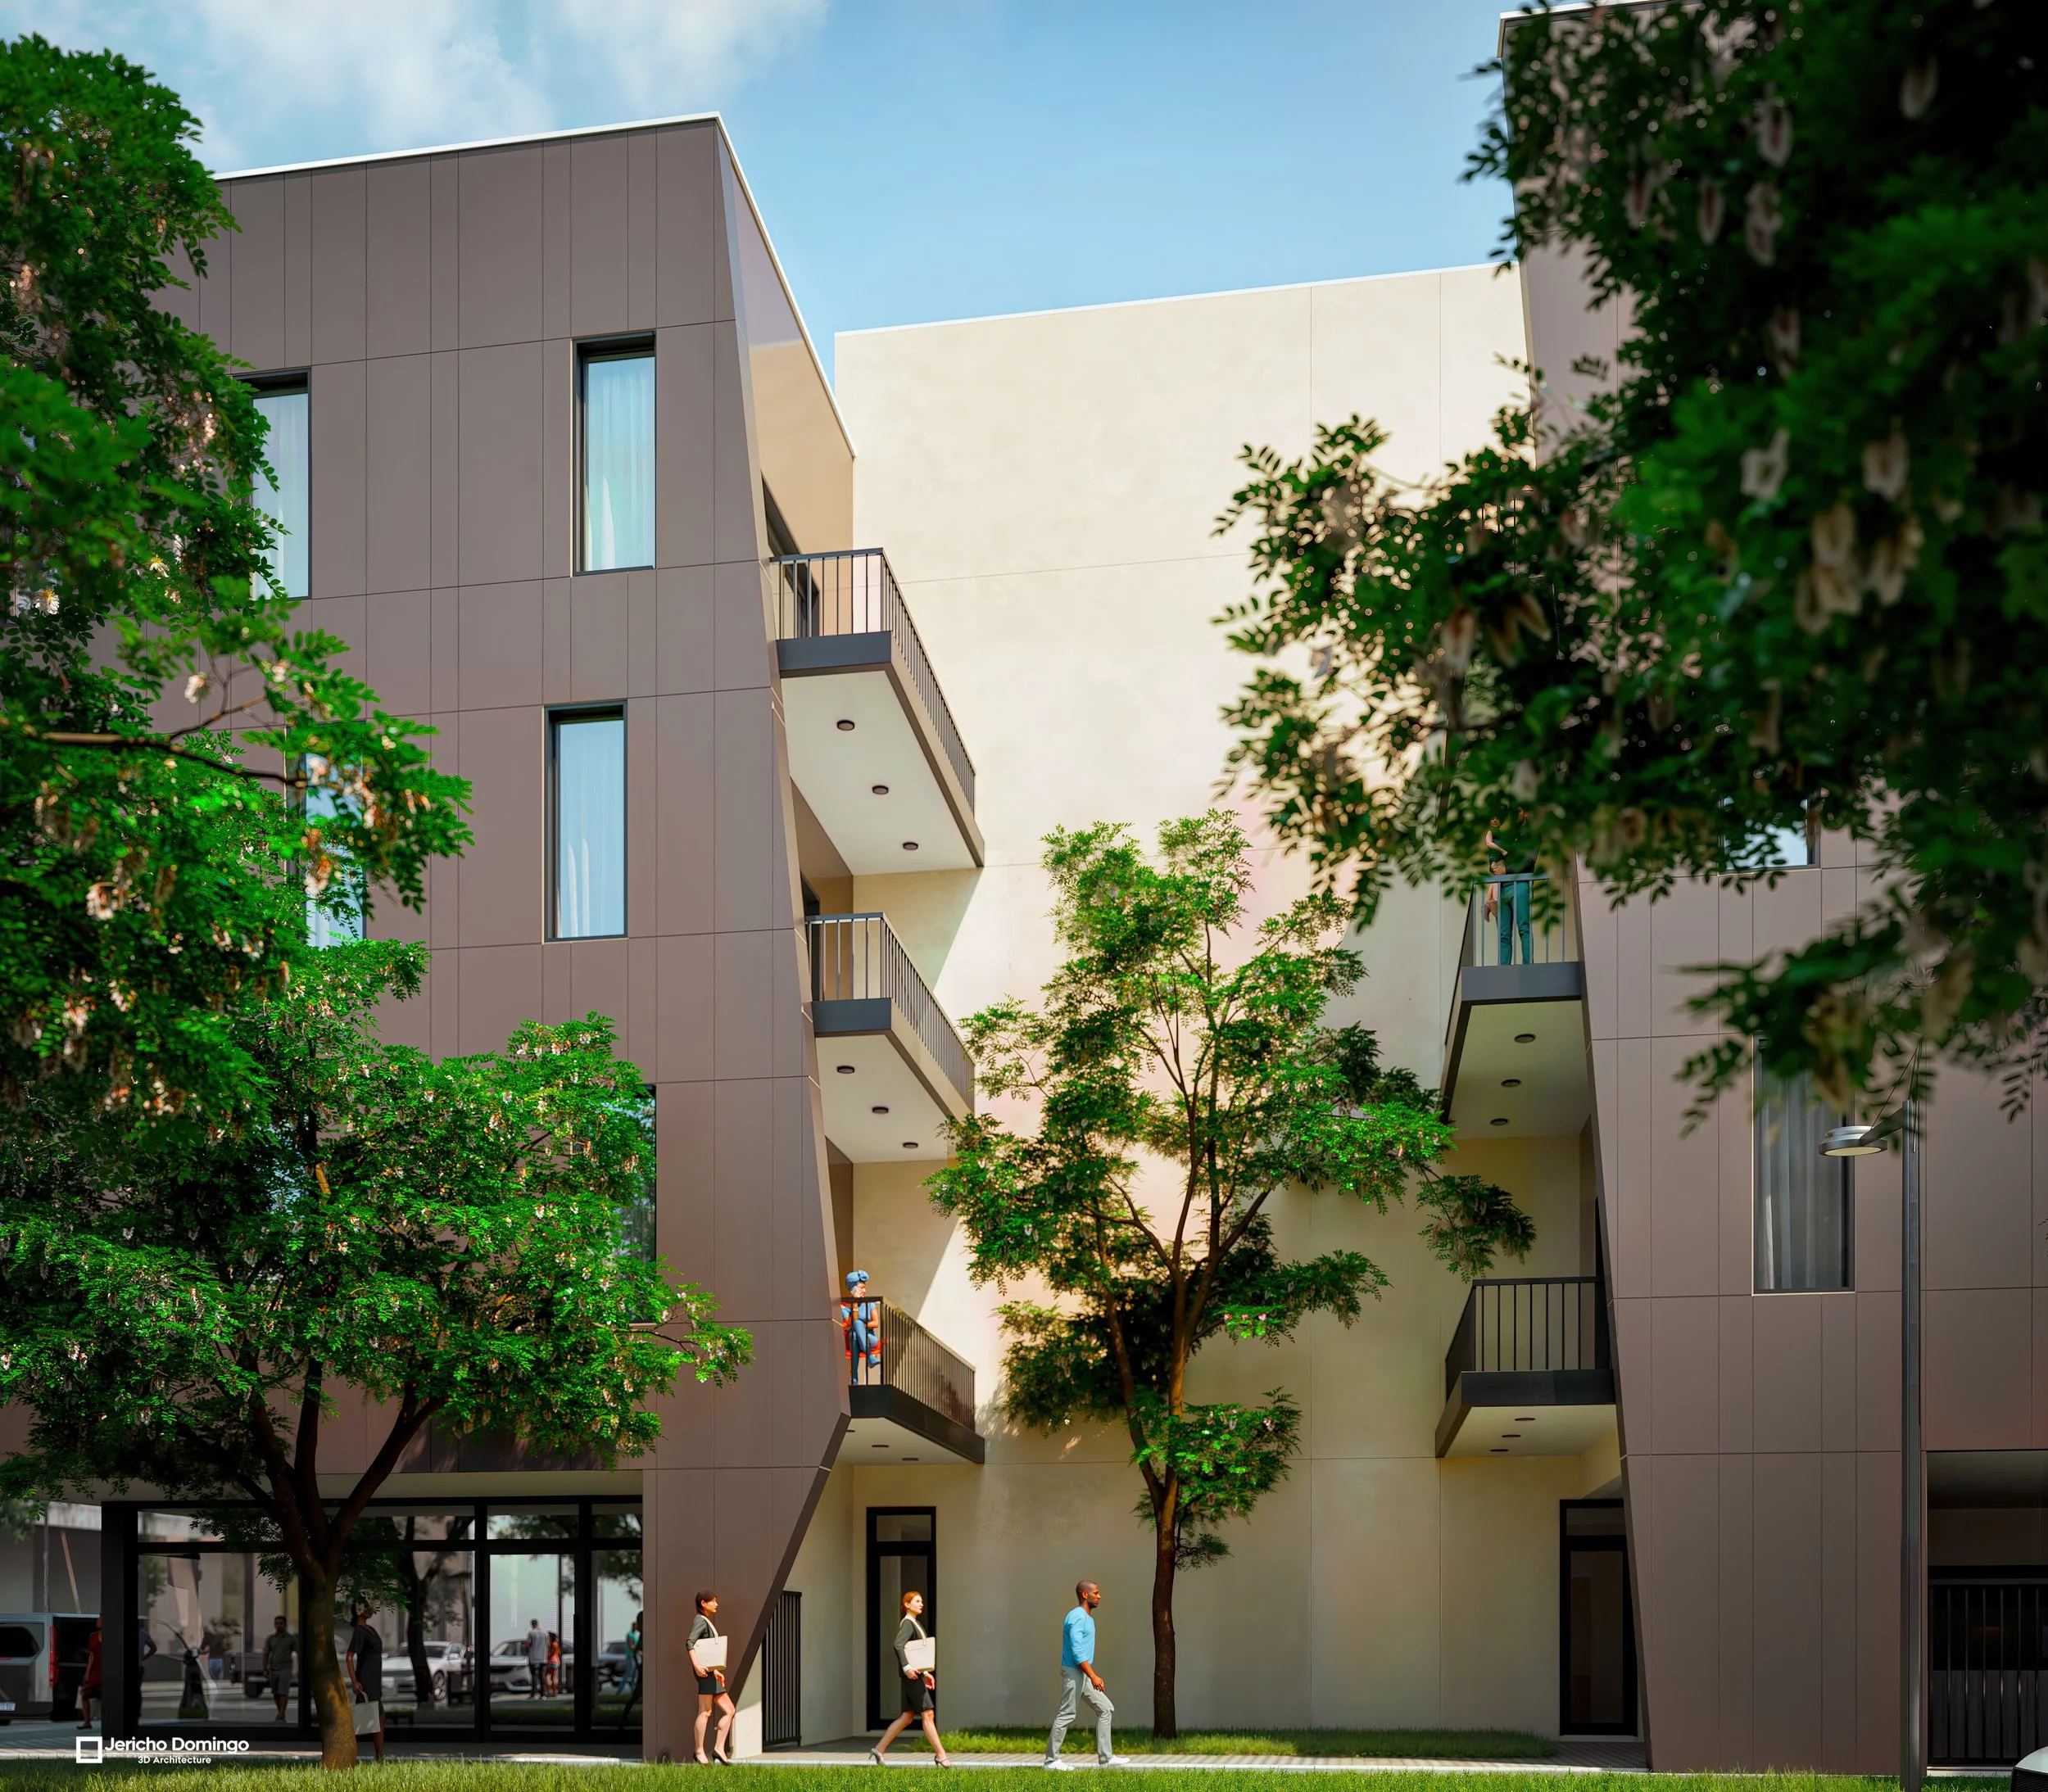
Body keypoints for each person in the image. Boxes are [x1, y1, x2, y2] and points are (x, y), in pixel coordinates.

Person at [1044, 1581, 1124, 1770]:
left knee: (1105, 1709)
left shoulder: (1088, 1619)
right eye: (1096, 1593)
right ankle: (1051, 1761)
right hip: (1074, 1673)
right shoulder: (1077, 1617)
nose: (1099, 1596)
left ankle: (1106, 1759)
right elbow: (1076, 1650)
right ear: (1084, 1595)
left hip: (1083, 1674)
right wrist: (1093, 1675)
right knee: (1066, 1714)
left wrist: (1089, 1676)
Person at [868, 1590, 950, 1767]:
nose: (921, 1604)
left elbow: (916, 1652)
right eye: (917, 1601)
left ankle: (879, 1749)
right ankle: (940, 1755)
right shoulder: (908, 1623)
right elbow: (898, 1645)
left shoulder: (914, 1623)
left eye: (922, 1601)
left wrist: (926, 1672)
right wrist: (907, 1668)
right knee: (928, 1713)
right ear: (907, 1605)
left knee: (907, 1716)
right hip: (911, 1677)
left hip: (916, 1675)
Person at [687, 1591, 735, 1764]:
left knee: (730, 1710)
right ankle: (699, 1752)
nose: (716, 1604)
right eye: (712, 1602)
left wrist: (714, 1670)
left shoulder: (705, 1620)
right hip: (703, 1672)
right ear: (703, 1603)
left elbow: (706, 1651)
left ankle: (718, 1749)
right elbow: (690, 1643)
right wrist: (697, 1666)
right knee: (705, 1712)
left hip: (708, 1672)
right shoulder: (700, 1621)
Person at [346, 1604, 385, 1764]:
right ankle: (351, 1754)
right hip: (366, 1679)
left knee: (378, 1717)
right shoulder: (359, 1631)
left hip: (375, 1678)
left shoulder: (371, 1629)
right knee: (368, 1717)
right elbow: (349, 1657)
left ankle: (379, 1756)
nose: (371, 1609)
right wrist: (355, 1681)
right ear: (359, 1611)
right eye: (367, 1606)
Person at [841, 1270, 881, 1385]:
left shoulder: (869, 1304)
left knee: (857, 1324)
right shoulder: (844, 1307)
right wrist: (854, 1304)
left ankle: (854, 1378)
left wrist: (862, 1326)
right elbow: (848, 1324)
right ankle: (870, 1357)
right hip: (853, 1341)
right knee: (854, 1334)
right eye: (861, 1288)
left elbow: (876, 1323)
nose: (864, 1291)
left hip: (870, 1338)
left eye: (864, 1288)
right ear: (853, 1289)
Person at [262, 1614, 297, 1722]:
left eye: (281, 1623)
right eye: (277, 1623)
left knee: (283, 1692)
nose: (279, 1626)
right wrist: (264, 1668)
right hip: (273, 1669)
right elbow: (266, 1654)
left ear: (285, 1625)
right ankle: (280, 1712)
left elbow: (298, 1652)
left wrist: (298, 1669)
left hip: (285, 1669)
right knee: (276, 1693)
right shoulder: (271, 1639)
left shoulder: (291, 1639)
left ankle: (281, 1715)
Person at [76, 1618, 102, 1731]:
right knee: (85, 1692)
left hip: (107, 1668)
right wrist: (87, 1672)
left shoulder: (113, 1635)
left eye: (100, 1619)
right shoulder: (93, 1636)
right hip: (95, 1670)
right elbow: (91, 1655)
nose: (98, 1621)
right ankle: (87, 1722)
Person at [524, 1618, 547, 1699]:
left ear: (532, 1624)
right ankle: (543, 1694)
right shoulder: (544, 1633)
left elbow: (528, 1644)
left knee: (534, 1676)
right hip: (543, 1658)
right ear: (538, 1623)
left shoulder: (531, 1633)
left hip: (533, 1658)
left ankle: (534, 1694)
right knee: (542, 1676)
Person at [546, 1629, 562, 1697]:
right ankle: (554, 1691)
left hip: (551, 1661)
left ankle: (550, 1691)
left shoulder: (553, 1644)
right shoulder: (557, 1644)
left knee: (547, 1677)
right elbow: (558, 1653)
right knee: (554, 1677)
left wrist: (546, 1655)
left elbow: (550, 1653)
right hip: (556, 1661)